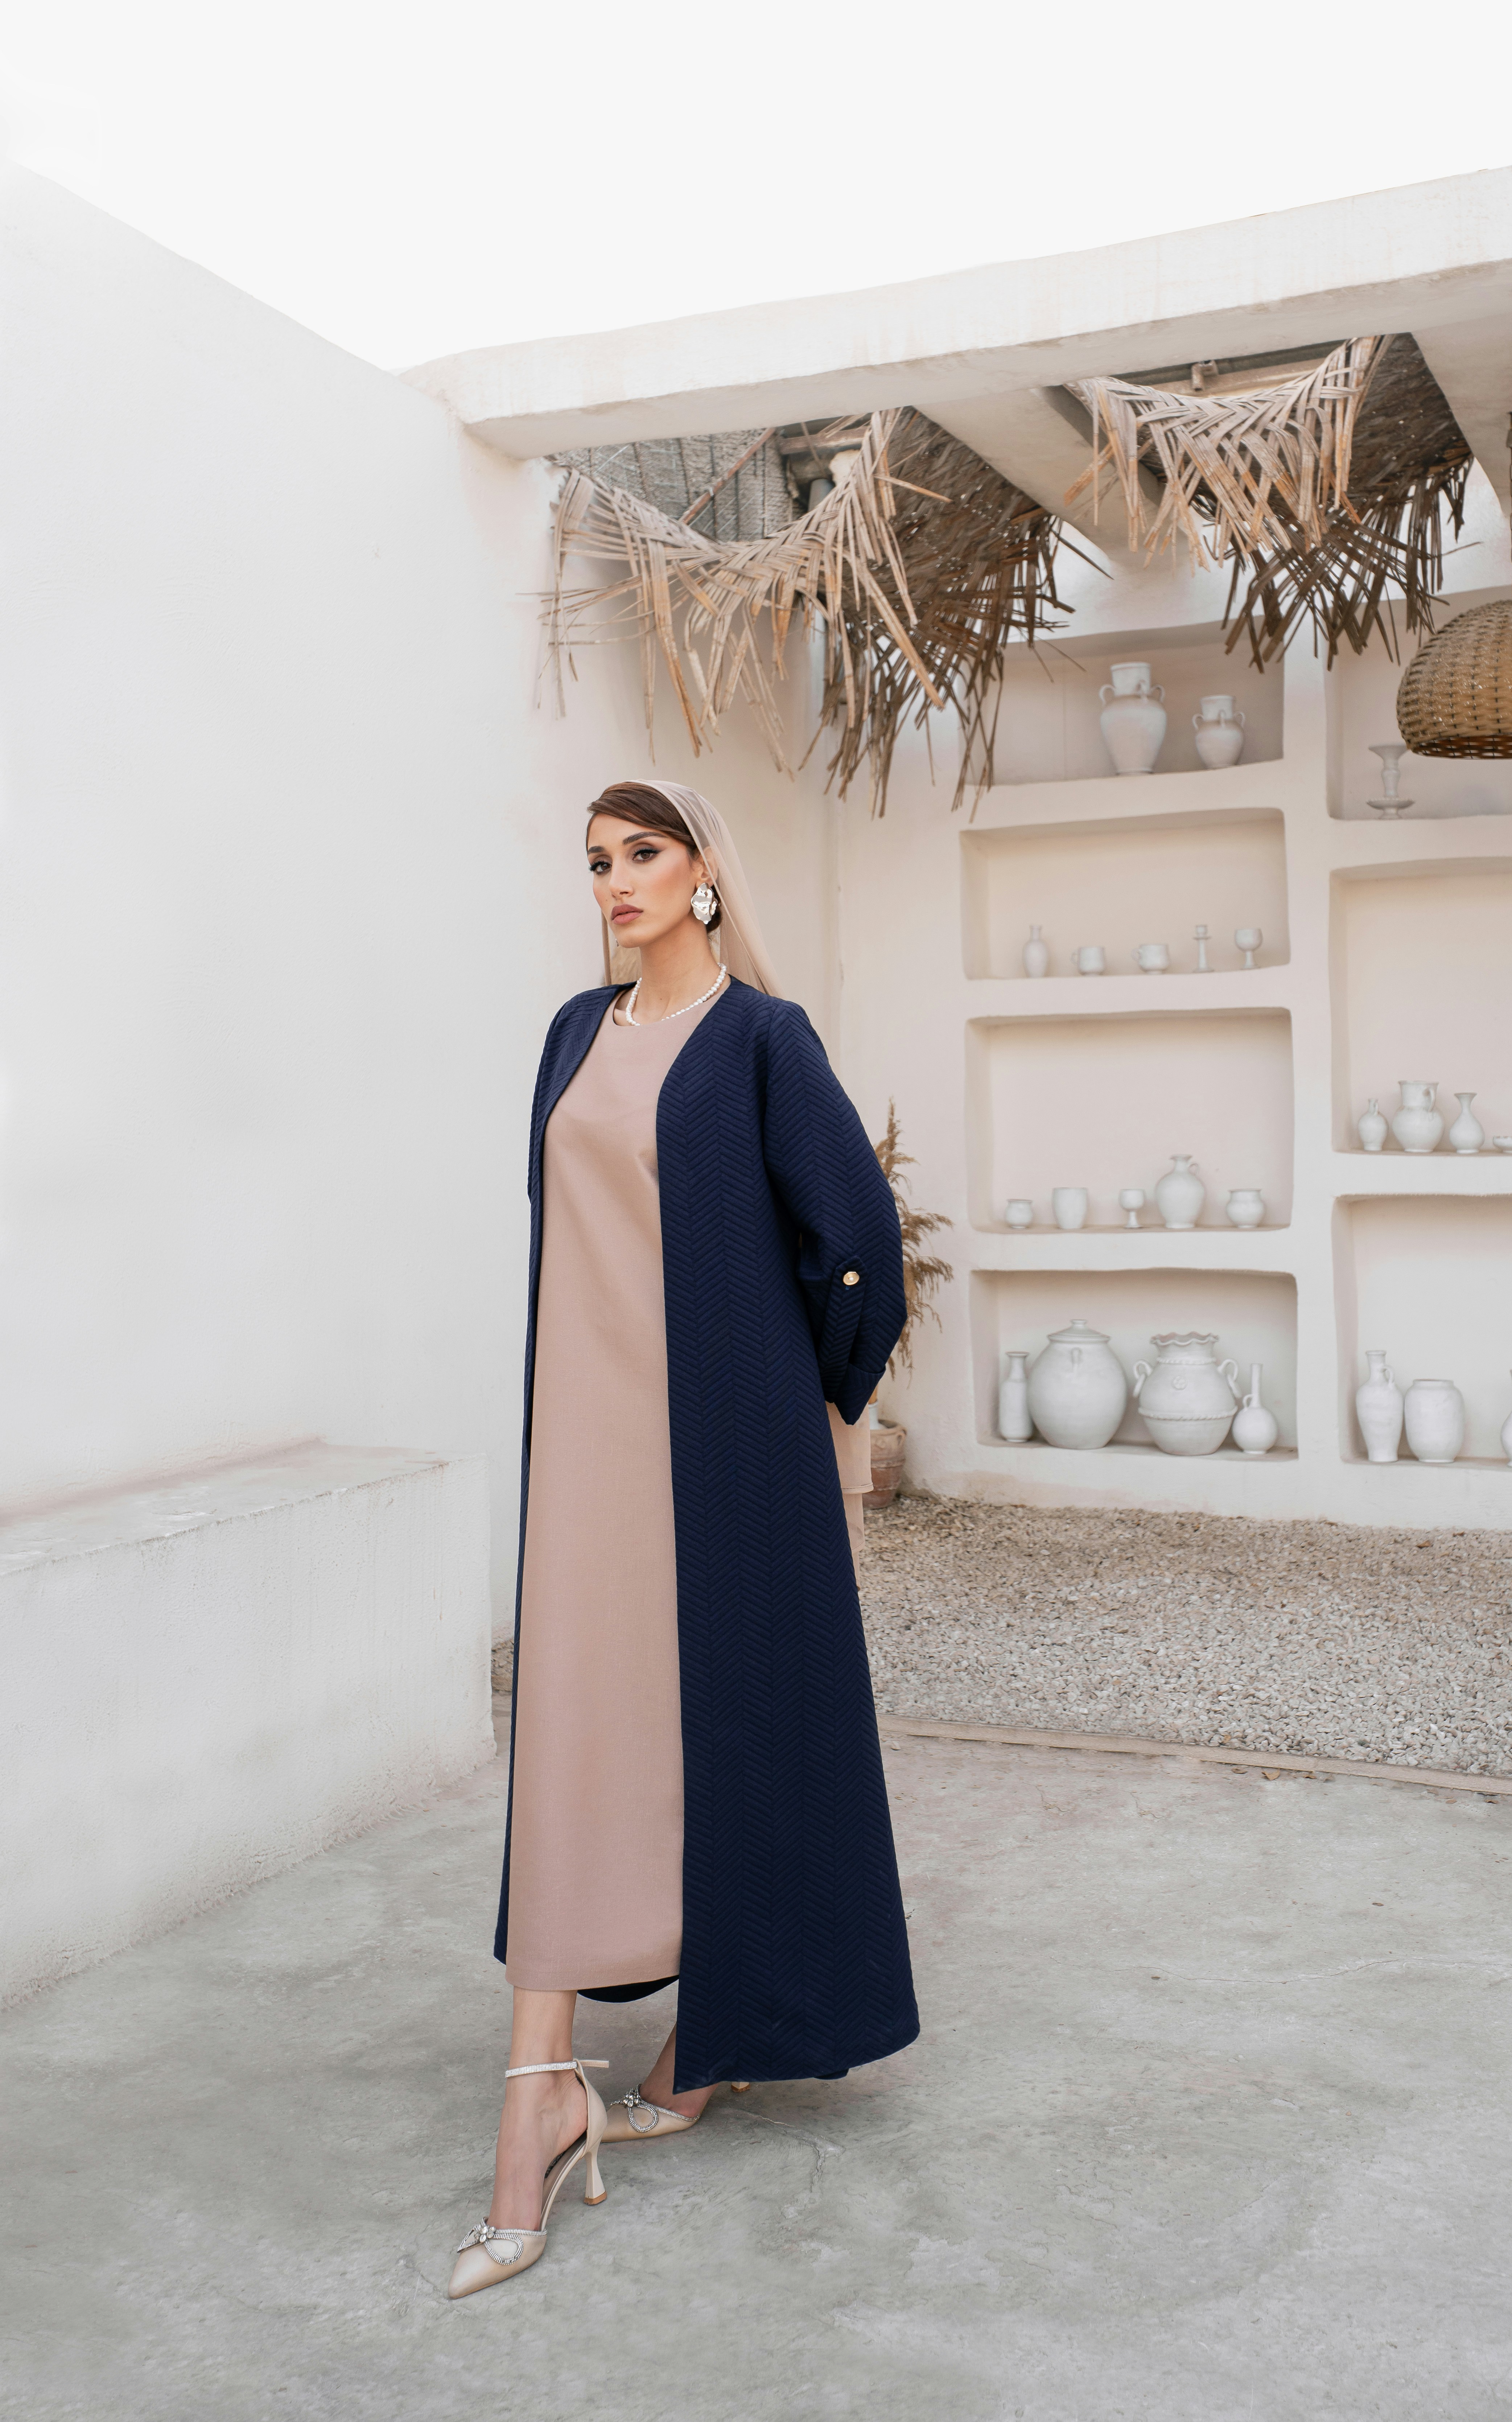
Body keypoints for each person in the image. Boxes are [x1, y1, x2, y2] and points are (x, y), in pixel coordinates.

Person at [450, 779, 916, 2298]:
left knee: (726, 1735)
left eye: (643, 853)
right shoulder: (570, 1037)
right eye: (596, 861)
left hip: (724, 1454)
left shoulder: (764, 1042)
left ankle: (599, 2088)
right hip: (583, 1448)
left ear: (704, 870)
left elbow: (858, 1246)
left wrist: (805, 1415)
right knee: (581, 1740)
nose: (617, 881)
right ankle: (561, 2079)